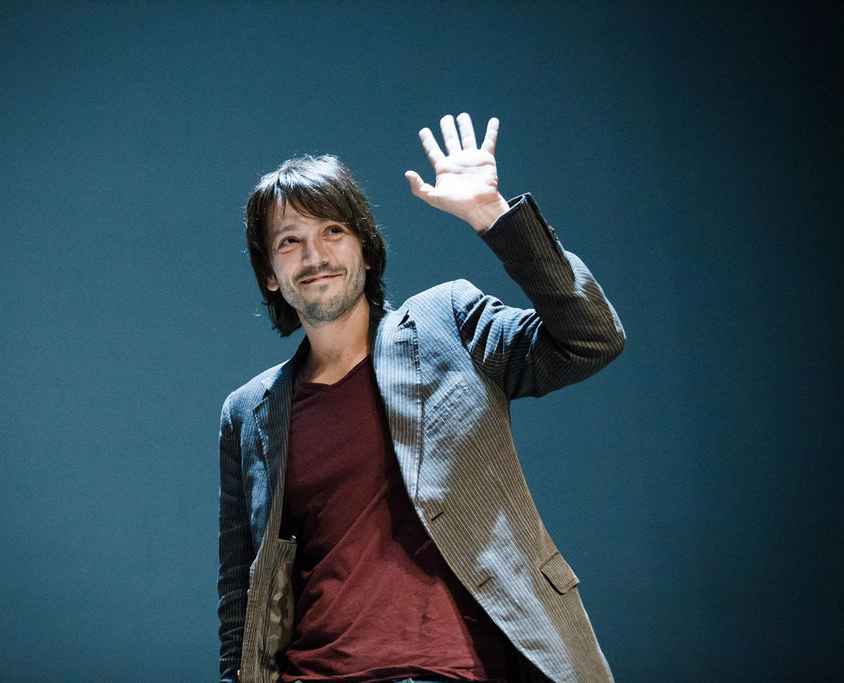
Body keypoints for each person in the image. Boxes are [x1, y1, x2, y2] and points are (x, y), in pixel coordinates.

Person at [218, 113, 625, 683]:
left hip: (457, 671)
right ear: (269, 273)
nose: (314, 256)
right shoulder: (250, 412)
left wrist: (494, 216)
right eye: (290, 241)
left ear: (366, 249)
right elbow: (242, 595)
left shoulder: (446, 322)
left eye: (332, 230)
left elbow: (591, 339)